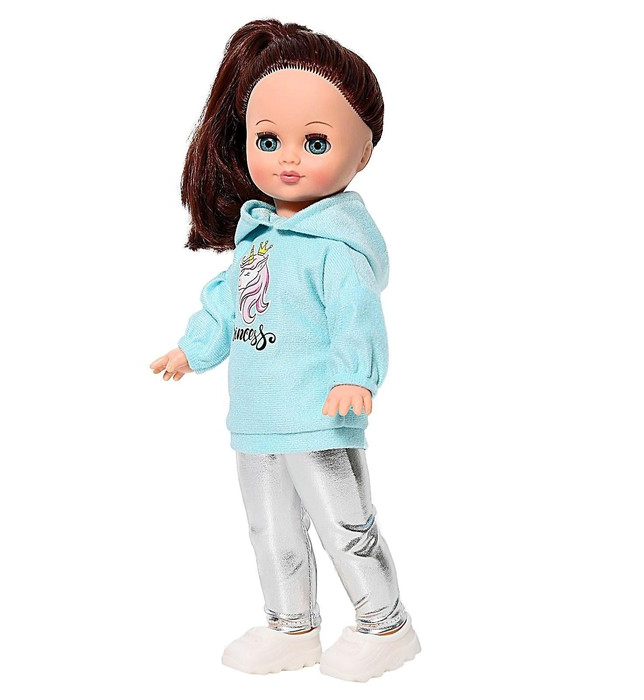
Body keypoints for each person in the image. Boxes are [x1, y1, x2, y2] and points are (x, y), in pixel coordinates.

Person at [149, 19, 421, 682]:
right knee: (271, 530)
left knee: (344, 525)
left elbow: (357, 318)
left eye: (316, 142)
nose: (288, 158)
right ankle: (291, 624)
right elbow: (227, 302)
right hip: (257, 416)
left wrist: (354, 377)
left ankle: (385, 623)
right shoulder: (258, 236)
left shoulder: (337, 249)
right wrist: (193, 349)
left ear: (363, 153)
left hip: (320, 418)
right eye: (267, 140)